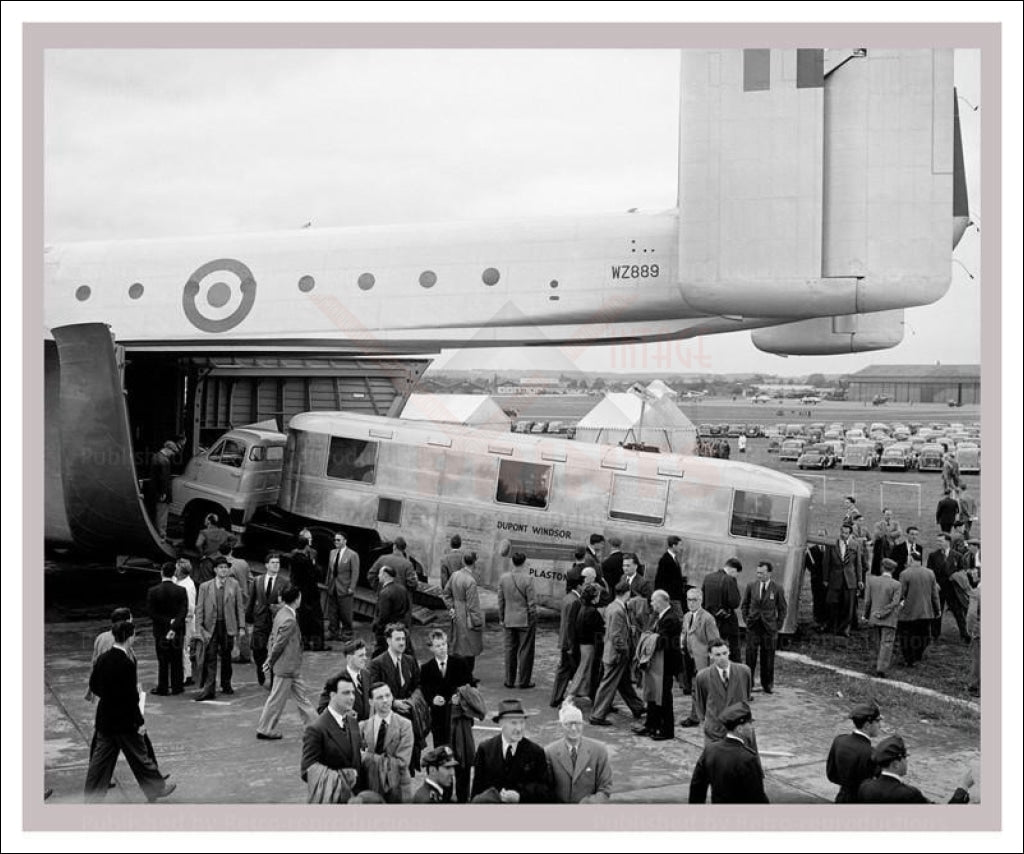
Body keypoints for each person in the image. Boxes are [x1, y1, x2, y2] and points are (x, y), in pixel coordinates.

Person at [83, 621, 177, 803]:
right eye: (133, 634)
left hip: (106, 719)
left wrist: (109, 697)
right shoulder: (126, 663)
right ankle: (156, 789)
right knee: (141, 757)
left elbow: (94, 685)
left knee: (100, 762)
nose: (134, 637)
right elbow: (130, 698)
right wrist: (139, 722)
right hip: (125, 722)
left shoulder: (103, 658)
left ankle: (91, 797)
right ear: (128, 636)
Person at [255, 585, 317, 739]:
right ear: (297, 599)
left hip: (287, 666)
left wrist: (271, 659)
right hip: (287, 666)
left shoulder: (281, 613)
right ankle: (265, 728)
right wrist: (270, 660)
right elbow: (280, 644)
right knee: (278, 699)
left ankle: (315, 728)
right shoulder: (289, 619)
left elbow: (273, 638)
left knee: (301, 698)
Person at [470, 699, 553, 803]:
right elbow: (477, 789)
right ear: (501, 724)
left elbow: (545, 790)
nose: (519, 728)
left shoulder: (536, 752)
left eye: (522, 722)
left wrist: (520, 796)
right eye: (513, 723)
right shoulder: (485, 749)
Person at [590, 579, 645, 726]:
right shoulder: (618, 610)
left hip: (611, 653)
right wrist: (625, 650)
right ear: (627, 593)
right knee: (608, 684)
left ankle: (637, 707)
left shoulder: (612, 606)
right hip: (617, 654)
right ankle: (597, 715)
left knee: (624, 682)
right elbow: (616, 636)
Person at [688, 702, 767, 804]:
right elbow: (757, 797)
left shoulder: (710, 750)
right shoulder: (748, 758)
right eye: (749, 723)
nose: (752, 728)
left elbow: (697, 787)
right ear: (739, 729)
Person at [301, 672, 362, 803]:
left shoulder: (352, 721)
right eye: (346, 693)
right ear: (332, 695)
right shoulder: (316, 729)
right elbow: (307, 770)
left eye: (353, 692)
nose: (352, 697)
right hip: (331, 799)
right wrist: (344, 777)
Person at [857, 736, 972, 803]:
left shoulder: (865, 786)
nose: (907, 762)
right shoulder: (909, 794)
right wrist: (963, 787)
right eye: (905, 758)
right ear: (896, 764)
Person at [194, 556, 246, 700]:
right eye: (221, 567)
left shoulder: (234, 584)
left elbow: (239, 607)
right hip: (210, 627)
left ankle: (226, 684)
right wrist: (198, 628)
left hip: (228, 626)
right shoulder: (205, 586)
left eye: (226, 567)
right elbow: (199, 609)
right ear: (215, 569)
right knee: (210, 657)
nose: (224, 570)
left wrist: (241, 627)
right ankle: (209, 689)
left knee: (227, 656)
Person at [636, 589, 682, 741]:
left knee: (663, 697)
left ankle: (667, 730)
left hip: (665, 665)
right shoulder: (659, 616)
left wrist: (649, 637)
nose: (651, 603)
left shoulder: (671, 619)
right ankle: (651, 725)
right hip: (656, 664)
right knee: (652, 695)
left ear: (663, 601)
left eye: (654, 601)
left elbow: (661, 641)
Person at [544, 701, 612, 803]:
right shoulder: (549, 752)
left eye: (578, 723)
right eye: (569, 724)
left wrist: (589, 804)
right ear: (561, 725)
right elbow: (545, 789)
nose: (574, 728)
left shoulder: (599, 751)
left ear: (583, 724)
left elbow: (605, 788)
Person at [359, 681, 415, 803]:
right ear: (371, 702)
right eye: (379, 697)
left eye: (388, 695)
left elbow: (402, 763)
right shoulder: (363, 727)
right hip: (371, 786)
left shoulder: (405, 725)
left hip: (398, 787)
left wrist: (367, 757)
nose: (385, 700)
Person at [692, 639, 754, 747]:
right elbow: (700, 702)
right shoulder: (703, 676)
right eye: (718, 654)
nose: (722, 658)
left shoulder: (744, 671)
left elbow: (747, 695)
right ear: (710, 655)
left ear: (729, 651)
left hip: (739, 730)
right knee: (714, 762)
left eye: (725, 653)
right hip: (715, 731)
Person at [419, 628, 473, 751]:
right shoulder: (426, 668)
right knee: (440, 750)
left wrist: (460, 696)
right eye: (438, 646)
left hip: (458, 715)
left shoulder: (460, 663)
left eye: (444, 644)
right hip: (438, 718)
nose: (442, 648)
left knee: (460, 750)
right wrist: (433, 699)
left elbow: (471, 685)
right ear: (431, 648)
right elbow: (424, 689)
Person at [740, 560, 787, 694]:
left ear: (769, 573)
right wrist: (747, 620)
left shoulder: (777, 588)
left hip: (769, 629)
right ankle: (748, 685)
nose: (759, 575)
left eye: (762, 573)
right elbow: (745, 605)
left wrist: (777, 625)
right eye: (758, 573)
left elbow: (782, 609)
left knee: (768, 658)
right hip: (753, 627)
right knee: (750, 657)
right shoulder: (751, 586)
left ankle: (767, 685)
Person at [679, 588, 721, 727]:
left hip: (703, 659)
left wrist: (715, 663)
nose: (691, 603)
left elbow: (714, 641)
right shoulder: (686, 616)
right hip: (689, 657)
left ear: (701, 600)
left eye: (694, 600)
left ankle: (698, 716)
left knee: (702, 688)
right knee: (694, 687)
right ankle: (697, 715)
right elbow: (685, 633)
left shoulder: (707, 618)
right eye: (688, 600)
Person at [826, 701, 882, 803]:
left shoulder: (839, 740)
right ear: (867, 725)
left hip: (841, 798)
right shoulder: (871, 753)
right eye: (877, 721)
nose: (880, 726)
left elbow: (831, 775)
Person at [146, 562, 188, 695]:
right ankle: (177, 686)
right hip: (177, 630)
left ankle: (163, 687)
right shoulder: (181, 591)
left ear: (161, 573)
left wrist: (166, 622)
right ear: (174, 573)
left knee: (163, 660)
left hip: (160, 630)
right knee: (177, 658)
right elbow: (183, 611)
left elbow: (151, 613)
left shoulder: (153, 591)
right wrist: (173, 626)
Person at [497, 552, 538, 689]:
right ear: (524, 562)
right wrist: (532, 618)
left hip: (509, 619)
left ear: (512, 562)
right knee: (525, 651)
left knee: (509, 650)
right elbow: (531, 603)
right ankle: (524, 681)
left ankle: (509, 680)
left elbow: (501, 600)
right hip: (524, 619)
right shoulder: (528, 579)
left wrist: (502, 617)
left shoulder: (503, 578)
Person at [245, 552, 286, 688]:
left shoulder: (284, 583)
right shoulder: (257, 580)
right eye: (273, 563)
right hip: (260, 619)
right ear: (267, 565)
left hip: (276, 620)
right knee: (258, 649)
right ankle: (260, 670)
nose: (276, 565)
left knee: (275, 649)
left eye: (278, 563)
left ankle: (274, 679)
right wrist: (248, 616)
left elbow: (287, 603)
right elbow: (251, 600)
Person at [442, 551, 484, 677]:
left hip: (457, 612)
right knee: (470, 648)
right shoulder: (470, 581)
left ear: (463, 561)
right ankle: (467, 676)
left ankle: (458, 674)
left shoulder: (455, 575)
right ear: (474, 563)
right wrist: (478, 622)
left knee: (457, 645)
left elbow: (446, 594)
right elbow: (473, 605)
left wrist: (451, 608)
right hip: (467, 615)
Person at [823, 523, 867, 638]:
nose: (844, 535)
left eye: (846, 533)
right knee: (832, 603)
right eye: (842, 532)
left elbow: (858, 564)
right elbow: (826, 562)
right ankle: (832, 626)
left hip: (850, 579)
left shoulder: (855, 545)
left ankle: (844, 629)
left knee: (848, 605)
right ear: (840, 531)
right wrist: (826, 578)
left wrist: (860, 580)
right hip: (835, 578)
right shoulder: (832, 544)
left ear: (850, 534)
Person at [897, 555, 940, 667]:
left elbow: (900, 594)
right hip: (926, 612)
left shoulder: (905, 574)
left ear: (911, 560)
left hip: (909, 612)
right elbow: (935, 594)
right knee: (923, 635)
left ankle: (909, 659)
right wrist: (938, 609)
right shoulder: (930, 573)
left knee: (907, 636)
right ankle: (917, 656)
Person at [290, 529, 328, 652]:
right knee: (316, 618)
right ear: (306, 546)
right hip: (310, 592)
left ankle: (304, 643)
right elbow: (315, 574)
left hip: (300, 591)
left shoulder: (293, 557)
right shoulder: (306, 560)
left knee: (303, 619)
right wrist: (314, 564)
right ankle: (318, 644)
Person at [864, 558, 902, 677]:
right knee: (886, 644)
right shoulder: (896, 584)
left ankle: (873, 664)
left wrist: (866, 615)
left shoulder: (872, 580)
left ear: (882, 567)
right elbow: (895, 603)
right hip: (889, 619)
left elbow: (867, 601)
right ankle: (881, 669)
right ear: (893, 570)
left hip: (874, 617)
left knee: (875, 642)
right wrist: (883, 613)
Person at [567, 582, 604, 704]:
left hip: (583, 644)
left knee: (584, 670)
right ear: (594, 596)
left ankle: (575, 694)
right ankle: (570, 696)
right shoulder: (593, 612)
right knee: (583, 670)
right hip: (589, 646)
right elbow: (600, 629)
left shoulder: (583, 608)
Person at [318, 639, 372, 720]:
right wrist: (342, 714)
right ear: (349, 658)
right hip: (347, 730)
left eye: (365, 654)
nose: (365, 658)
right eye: (361, 655)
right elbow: (322, 710)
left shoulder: (367, 675)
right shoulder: (335, 681)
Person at [549, 580, 583, 708]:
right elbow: (570, 625)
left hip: (564, 640)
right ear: (578, 585)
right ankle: (557, 698)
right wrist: (571, 645)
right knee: (566, 669)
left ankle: (557, 697)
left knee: (565, 669)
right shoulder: (575, 601)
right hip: (569, 643)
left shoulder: (568, 598)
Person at [702, 557, 742, 661]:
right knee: (733, 647)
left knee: (711, 646)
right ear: (733, 570)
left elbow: (703, 598)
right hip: (727, 620)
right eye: (737, 573)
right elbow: (735, 602)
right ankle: (734, 669)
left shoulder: (708, 577)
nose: (736, 576)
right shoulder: (729, 579)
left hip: (710, 618)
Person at [928, 532, 965, 640]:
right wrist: (935, 584)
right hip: (938, 589)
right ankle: (935, 635)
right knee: (937, 612)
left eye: (940, 541)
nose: (938, 543)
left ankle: (964, 634)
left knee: (958, 612)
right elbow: (930, 572)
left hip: (953, 590)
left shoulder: (958, 556)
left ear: (948, 542)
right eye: (937, 541)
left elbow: (962, 572)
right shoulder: (933, 556)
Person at [325, 531, 360, 643]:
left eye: (338, 540)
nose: (336, 542)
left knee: (345, 612)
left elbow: (355, 572)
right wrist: (327, 583)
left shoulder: (352, 555)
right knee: (332, 611)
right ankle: (333, 631)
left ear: (345, 541)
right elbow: (330, 570)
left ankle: (347, 633)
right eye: (335, 540)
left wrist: (352, 587)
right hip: (333, 587)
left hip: (345, 588)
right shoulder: (332, 553)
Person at [371, 565, 412, 657]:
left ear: (385, 575)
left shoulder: (385, 593)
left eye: (380, 574)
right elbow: (407, 607)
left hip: (387, 630)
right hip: (401, 626)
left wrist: (377, 626)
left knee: (379, 655)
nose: (378, 576)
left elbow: (383, 615)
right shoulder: (402, 589)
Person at [223, 541, 252, 663]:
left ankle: (228, 652)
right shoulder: (243, 563)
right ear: (231, 550)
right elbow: (251, 579)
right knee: (243, 626)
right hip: (244, 598)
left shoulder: (224, 566)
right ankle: (245, 654)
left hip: (231, 600)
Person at [145, 440, 178, 540]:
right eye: (173, 452)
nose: (172, 454)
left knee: (155, 513)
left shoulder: (155, 457)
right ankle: (162, 534)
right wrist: (164, 492)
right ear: (168, 449)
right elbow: (164, 478)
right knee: (162, 514)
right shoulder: (165, 461)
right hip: (162, 492)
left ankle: (156, 532)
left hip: (154, 491)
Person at [173, 559, 198, 686]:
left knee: (184, 648)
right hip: (183, 619)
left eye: (177, 569)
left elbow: (191, 607)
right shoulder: (180, 582)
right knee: (182, 648)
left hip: (186, 621)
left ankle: (186, 675)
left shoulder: (187, 586)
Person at [654, 535, 687, 615]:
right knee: (679, 618)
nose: (681, 548)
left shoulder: (673, 559)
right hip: (671, 597)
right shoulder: (665, 560)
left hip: (674, 597)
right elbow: (661, 580)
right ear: (674, 546)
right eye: (680, 545)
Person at [194, 513, 231, 586]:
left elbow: (198, 544)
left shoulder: (204, 532)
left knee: (206, 583)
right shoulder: (223, 532)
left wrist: (201, 554)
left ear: (209, 521)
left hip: (208, 560)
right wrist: (226, 548)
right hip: (220, 559)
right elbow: (234, 539)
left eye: (206, 519)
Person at [804, 530, 830, 629]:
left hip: (827, 579)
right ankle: (817, 619)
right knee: (817, 599)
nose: (821, 537)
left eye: (823, 535)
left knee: (826, 599)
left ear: (826, 537)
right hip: (816, 579)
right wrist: (814, 571)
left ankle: (826, 619)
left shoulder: (829, 549)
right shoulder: (812, 551)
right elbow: (808, 564)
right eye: (819, 535)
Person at [965, 551, 981, 696]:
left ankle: (975, 686)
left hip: (980, 629)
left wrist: (970, 630)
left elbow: (971, 614)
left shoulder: (976, 593)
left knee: (977, 659)